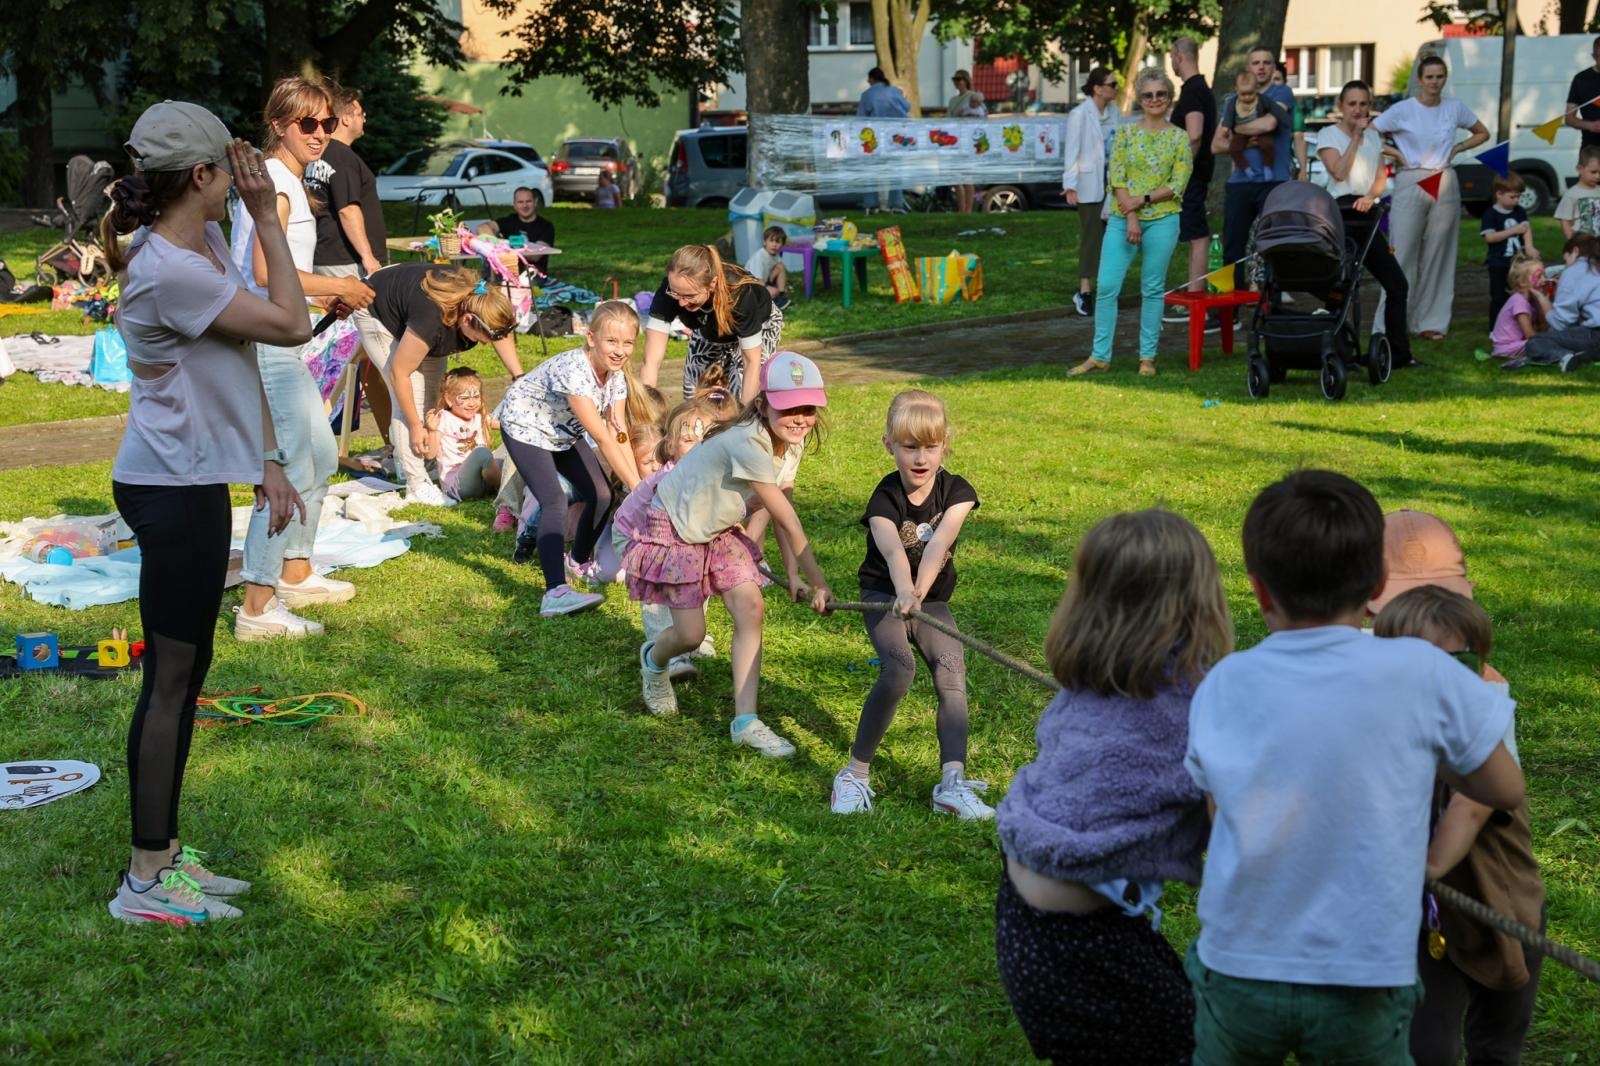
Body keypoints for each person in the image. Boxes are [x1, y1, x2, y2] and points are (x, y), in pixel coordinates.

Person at [1184, 469, 1525, 1064]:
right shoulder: (1425, 672)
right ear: (1377, 585)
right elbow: (1504, 786)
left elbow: (1218, 814)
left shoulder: (1223, 681)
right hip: (1363, 977)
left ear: (1260, 591)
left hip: (1239, 965)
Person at [102, 105, 308, 923]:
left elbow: (240, 349)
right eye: (230, 168)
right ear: (200, 177)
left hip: (192, 482)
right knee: (170, 681)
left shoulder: (204, 244)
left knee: (187, 676)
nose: (240, 180)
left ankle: (165, 853)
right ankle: (145, 879)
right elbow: (290, 324)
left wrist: (266, 458)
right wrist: (270, 220)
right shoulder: (168, 268)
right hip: (169, 488)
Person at [995, 508, 1231, 1063]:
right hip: (1083, 943)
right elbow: (1236, 825)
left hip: (1020, 921)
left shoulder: (1086, 683)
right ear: (1199, 602)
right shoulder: (1197, 705)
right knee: (1194, 1047)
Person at [1362, 510, 1547, 1066]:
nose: (1438, 673)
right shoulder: (1364, 690)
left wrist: (1430, 865)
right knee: (1428, 1043)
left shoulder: (1486, 699)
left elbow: (1474, 803)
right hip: (1420, 912)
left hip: (1496, 889)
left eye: (1457, 660)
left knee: (1500, 1030)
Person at [623, 352, 833, 752]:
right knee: (691, 635)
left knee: (751, 606)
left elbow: (782, 507)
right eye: (788, 408)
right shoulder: (748, 443)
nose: (800, 418)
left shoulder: (791, 444)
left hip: (718, 527)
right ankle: (654, 661)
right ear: (763, 405)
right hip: (677, 526)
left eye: (807, 409)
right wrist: (819, 583)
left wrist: (794, 573)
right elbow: (789, 521)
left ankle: (746, 722)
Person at [230, 75, 375, 642]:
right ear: (278, 125)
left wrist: (322, 298)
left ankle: (295, 573)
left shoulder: (289, 178)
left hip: (285, 340)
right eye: (307, 123)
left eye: (327, 123)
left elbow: (280, 275)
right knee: (290, 467)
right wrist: (339, 286)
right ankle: (257, 607)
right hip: (267, 343)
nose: (320, 133)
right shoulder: (276, 182)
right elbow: (266, 273)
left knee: (319, 456)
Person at [829, 389, 989, 820]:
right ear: (889, 445)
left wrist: (917, 593)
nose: (921, 458)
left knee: (952, 670)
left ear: (945, 444)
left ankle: (952, 784)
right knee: (899, 668)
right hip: (883, 595)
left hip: (929, 599)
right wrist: (902, 591)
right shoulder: (884, 497)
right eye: (909, 446)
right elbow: (892, 550)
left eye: (931, 447)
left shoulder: (958, 492)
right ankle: (854, 773)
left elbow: (938, 545)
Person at [495, 300, 643, 616]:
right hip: (525, 428)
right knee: (555, 501)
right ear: (591, 337)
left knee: (601, 494)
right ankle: (555, 592)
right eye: (612, 341)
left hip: (561, 431)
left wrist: (637, 485)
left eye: (628, 343)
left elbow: (618, 431)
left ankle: (576, 562)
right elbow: (601, 438)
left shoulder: (615, 376)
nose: (620, 350)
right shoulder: (575, 370)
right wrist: (639, 489)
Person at [1068, 68, 1191, 379]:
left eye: (1160, 94)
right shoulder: (1125, 133)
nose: (1154, 99)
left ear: (1169, 97)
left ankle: (1147, 357)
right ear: (1139, 98)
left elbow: (1177, 184)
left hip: (1163, 219)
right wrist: (1132, 214)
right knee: (1107, 286)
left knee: (1152, 288)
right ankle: (1099, 356)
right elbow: (1117, 177)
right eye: (1148, 94)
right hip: (1124, 219)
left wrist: (1142, 200)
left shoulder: (1179, 137)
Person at [366, 262, 524, 503]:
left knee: (433, 397)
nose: (485, 344)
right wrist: (416, 426)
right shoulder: (431, 319)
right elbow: (400, 374)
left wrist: (519, 377)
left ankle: (429, 464)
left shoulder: (482, 303)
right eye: (484, 338)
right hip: (377, 304)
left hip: (421, 312)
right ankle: (415, 484)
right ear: (467, 319)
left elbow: (499, 333)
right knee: (410, 399)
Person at [1371, 54, 1489, 342]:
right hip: (1411, 179)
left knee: (1440, 254)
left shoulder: (1454, 107)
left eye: (1440, 76)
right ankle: (1390, 323)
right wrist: (1396, 153)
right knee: (1402, 253)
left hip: (1445, 179)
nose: (1435, 82)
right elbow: (1369, 133)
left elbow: (1482, 132)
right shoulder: (1403, 109)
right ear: (1420, 79)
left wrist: (1459, 148)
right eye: (1429, 77)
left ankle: (1430, 322)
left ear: (1445, 78)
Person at [611, 396, 727, 686]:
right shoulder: (671, 479)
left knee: (696, 577)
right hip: (639, 536)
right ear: (672, 445)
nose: (698, 447)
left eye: (705, 440)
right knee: (659, 589)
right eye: (688, 440)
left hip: (681, 538)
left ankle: (694, 637)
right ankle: (665, 650)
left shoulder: (708, 474)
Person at [310, 84, 393, 449]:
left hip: (327, 258)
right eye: (359, 113)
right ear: (345, 117)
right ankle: (323, 428)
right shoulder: (341, 158)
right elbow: (347, 210)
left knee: (357, 353)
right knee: (362, 349)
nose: (365, 119)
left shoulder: (320, 156)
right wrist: (369, 257)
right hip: (346, 264)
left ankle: (385, 437)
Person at [1317, 79, 1417, 369]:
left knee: (1396, 284)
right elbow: (1338, 172)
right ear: (1341, 106)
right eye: (1352, 104)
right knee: (1341, 286)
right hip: (1342, 214)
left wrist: (1372, 196)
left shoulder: (1373, 137)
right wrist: (1355, 138)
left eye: (1363, 104)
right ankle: (1335, 351)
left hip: (1368, 213)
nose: (1358, 110)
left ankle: (1399, 353)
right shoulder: (1328, 135)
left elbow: (1380, 177)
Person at [639, 243, 783, 404]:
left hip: (759, 326)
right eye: (676, 294)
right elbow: (650, 361)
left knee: (741, 391)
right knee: (695, 396)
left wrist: (745, 416)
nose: (681, 303)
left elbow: (751, 362)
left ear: (712, 283)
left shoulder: (741, 295)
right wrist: (645, 408)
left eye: (690, 296)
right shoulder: (671, 290)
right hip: (710, 329)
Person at [1212, 49, 1294, 292]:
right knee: (1232, 247)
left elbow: (1269, 124)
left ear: (1273, 67)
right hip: (1240, 182)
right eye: (1256, 63)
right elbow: (1216, 145)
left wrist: (1236, 128)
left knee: (1274, 245)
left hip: (1274, 181)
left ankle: (1272, 307)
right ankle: (1229, 306)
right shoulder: (1233, 100)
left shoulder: (1281, 93)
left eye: (1267, 63)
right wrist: (1244, 140)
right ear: (1247, 68)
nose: (1261, 67)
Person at [1166, 37, 1217, 324]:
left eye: (1171, 57)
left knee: (1197, 236)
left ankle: (1196, 301)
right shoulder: (1201, 89)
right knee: (1194, 234)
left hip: (1192, 177)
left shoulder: (1192, 91)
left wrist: (1181, 172)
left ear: (1178, 56)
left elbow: (1194, 134)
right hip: (1199, 175)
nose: (1171, 63)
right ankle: (1193, 296)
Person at [1061, 67, 1120, 318]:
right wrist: (1070, 184)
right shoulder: (1079, 114)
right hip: (1089, 183)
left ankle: (1107, 286)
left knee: (1113, 237)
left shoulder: (1114, 112)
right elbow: (1072, 151)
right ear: (1097, 88)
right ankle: (1084, 290)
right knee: (1092, 236)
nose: (1116, 89)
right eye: (1112, 84)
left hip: (1112, 183)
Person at [1511, 234, 1600, 371]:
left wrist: (1543, 300)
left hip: (1596, 336)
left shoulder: (1574, 271)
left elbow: (1560, 324)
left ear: (1575, 251)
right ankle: (1581, 355)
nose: (1566, 265)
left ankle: (1565, 356)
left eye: (1566, 260)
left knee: (1536, 342)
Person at [422, 367, 501, 503]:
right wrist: (432, 430)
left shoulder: (479, 417)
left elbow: (505, 426)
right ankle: (504, 490)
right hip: (459, 486)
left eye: (476, 397)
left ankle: (518, 487)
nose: (472, 403)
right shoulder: (444, 419)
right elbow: (430, 455)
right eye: (464, 398)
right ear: (448, 399)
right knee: (482, 453)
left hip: (482, 482)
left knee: (510, 452)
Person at [1484, 173, 1538, 324]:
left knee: (1521, 292)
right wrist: (1513, 230)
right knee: (1498, 296)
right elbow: (1490, 237)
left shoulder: (1519, 211)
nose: (1516, 200)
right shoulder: (1491, 214)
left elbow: (1526, 228)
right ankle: (1495, 327)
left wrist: (1529, 246)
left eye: (1518, 196)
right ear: (1499, 194)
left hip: (1518, 263)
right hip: (1498, 263)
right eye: (1512, 197)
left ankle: (1519, 323)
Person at [858, 67, 911, 214]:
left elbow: (861, 118)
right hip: (895, 136)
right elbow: (907, 107)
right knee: (896, 171)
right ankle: (896, 204)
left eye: (869, 79)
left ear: (872, 79)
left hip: (874, 137)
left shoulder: (867, 95)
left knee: (871, 171)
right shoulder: (894, 91)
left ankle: (871, 204)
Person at [1489, 254, 1550, 363]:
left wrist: (1542, 300)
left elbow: (1543, 327)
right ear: (1523, 282)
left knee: (1551, 336)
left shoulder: (1531, 300)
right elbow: (1531, 336)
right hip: (1507, 348)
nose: (1544, 280)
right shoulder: (1518, 301)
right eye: (1539, 276)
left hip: (1519, 344)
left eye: (1544, 275)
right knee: (1547, 341)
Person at [947, 70, 988, 214]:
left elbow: (984, 115)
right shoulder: (953, 100)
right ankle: (961, 209)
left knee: (968, 177)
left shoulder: (973, 96)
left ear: (966, 80)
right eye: (954, 79)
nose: (956, 82)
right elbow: (948, 118)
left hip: (969, 142)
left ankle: (968, 210)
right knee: (956, 178)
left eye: (959, 79)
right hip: (955, 141)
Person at [495, 186, 555, 275]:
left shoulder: (546, 226)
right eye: (520, 202)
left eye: (528, 201)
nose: (525, 205)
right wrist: (492, 242)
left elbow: (535, 255)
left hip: (534, 273)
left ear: (535, 203)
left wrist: (504, 249)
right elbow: (483, 227)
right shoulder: (509, 221)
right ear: (514, 205)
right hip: (508, 271)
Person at [1555, 146, 1600, 240]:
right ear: (1579, 169)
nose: (1597, 176)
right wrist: (1572, 242)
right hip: (1582, 242)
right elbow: (1565, 221)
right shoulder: (1571, 194)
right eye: (1593, 172)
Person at [1563, 36, 1600, 150]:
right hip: (1591, 147)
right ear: (1594, 56)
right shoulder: (1581, 79)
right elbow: (1569, 118)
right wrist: (1591, 126)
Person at [744, 225, 789, 305]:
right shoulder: (759, 257)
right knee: (773, 292)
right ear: (764, 242)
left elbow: (782, 269)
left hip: (764, 280)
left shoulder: (775, 255)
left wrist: (783, 286)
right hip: (751, 286)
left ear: (782, 245)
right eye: (771, 241)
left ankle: (782, 296)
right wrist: (769, 288)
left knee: (780, 267)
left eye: (778, 242)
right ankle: (771, 304)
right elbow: (757, 280)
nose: (774, 245)